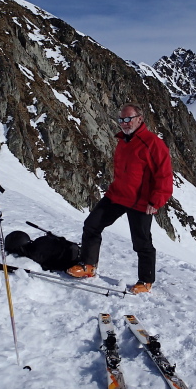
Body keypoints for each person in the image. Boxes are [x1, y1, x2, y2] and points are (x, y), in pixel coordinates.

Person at [67, 103, 173, 294]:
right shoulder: (123, 141)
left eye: (128, 119)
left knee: (142, 242)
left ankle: (146, 281)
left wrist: (156, 200)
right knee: (92, 224)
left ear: (139, 119)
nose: (124, 124)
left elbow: (164, 175)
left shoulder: (154, 144)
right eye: (121, 120)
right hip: (117, 195)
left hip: (140, 201)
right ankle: (89, 265)